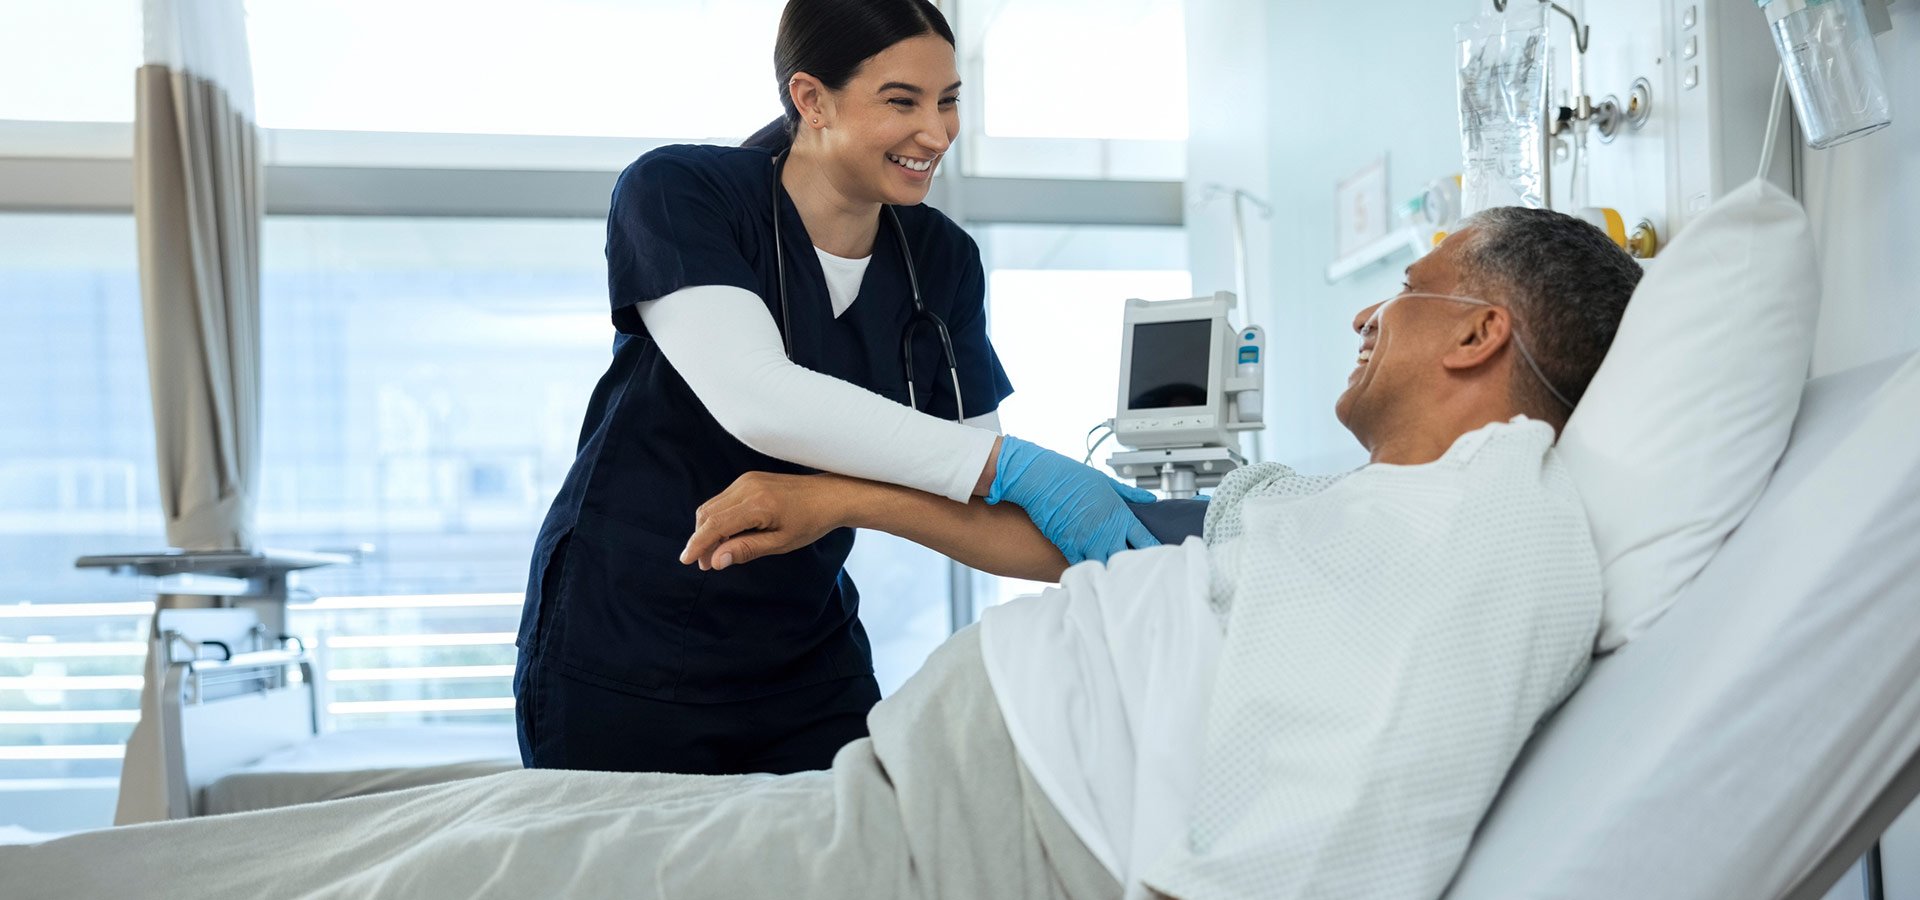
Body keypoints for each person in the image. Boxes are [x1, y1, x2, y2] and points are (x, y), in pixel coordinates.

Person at [3, 210, 1641, 900]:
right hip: (897, 806)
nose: (1372, 307)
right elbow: (1114, 538)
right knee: (457, 816)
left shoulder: (1496, 532)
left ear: (1483, 328)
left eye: (1410, 284)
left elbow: (1330, 830)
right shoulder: (1356, 519)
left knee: (455, 875)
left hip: (958, 856)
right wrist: (851, 497)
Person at [516, 0, 1156, 777]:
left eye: (949, 100)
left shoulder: (941, 260)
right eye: (902, 101)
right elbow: (760, 398)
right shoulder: (682, 193)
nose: (937, 132)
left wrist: (1156, 550)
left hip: (806, 656)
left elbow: (982, 508)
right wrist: (1011, 467)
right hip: (627, 642)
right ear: (810, 99)